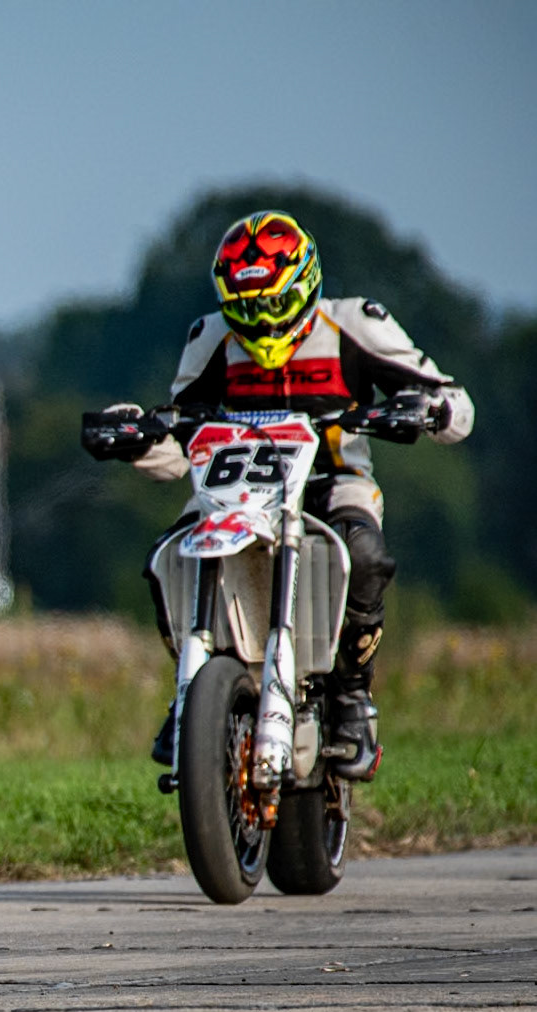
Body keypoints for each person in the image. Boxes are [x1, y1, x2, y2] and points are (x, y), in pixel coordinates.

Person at [96, 210, 473, 780]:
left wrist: (431, 409)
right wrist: (134, 439)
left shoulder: (355, 324)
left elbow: (454, 404)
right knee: (166, 558)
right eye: (244, 307)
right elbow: (177, 447)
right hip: (232, 492)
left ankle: (352, 698)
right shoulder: (210, 340)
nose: (259, 321)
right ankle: (192, 694)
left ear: (303, 285)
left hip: (332, 483)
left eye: (271, 304)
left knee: (365, 556)